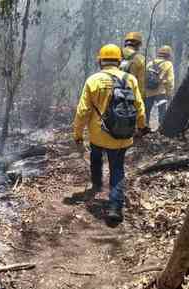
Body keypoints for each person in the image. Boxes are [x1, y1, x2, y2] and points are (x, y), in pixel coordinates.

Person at [73, 44, 146, 224]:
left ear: (100, 61)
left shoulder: (93, 80)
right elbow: (139, 107)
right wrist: (141, 128)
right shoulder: (131, 80)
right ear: (119, 60)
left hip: (98, 135)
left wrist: (78, 135)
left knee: (96, 158)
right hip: (122, 136)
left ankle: (96, 184)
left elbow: (82, 111)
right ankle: (114, 207)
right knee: (117, 169)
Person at [145, 45, 175, 128]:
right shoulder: (168, 64)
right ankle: (161, 130)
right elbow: (170, 81)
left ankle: (144, 128)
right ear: (168, 55)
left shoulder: (150, 63)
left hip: (148, 92)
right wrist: (169, 93)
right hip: (161, 92)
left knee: (146, 111)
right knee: (162, 112)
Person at [121, 32, 146, 99]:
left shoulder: (116, 53)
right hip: (131, 96)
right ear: (138, 44)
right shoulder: (140, 59)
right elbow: (141, 83)